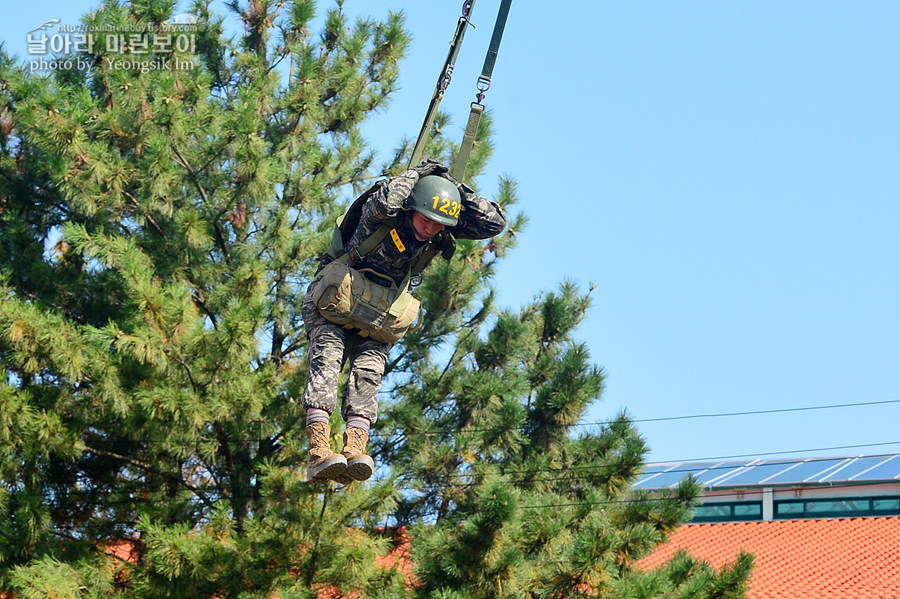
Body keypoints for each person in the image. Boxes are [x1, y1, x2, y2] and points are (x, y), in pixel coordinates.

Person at [301, 159, 507, 483]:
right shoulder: (382, 215)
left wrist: (452, 187)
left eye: (439, 224)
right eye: (426, 220)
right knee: (327, 361)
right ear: (412, 207)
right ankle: (318, 451)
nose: (431, 229)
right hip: (332, 302)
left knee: (368, 375)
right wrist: (417, 175)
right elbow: (385, 199)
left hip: (376, 316)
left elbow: (494, 222)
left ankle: (355, 450)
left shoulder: (438, 228)